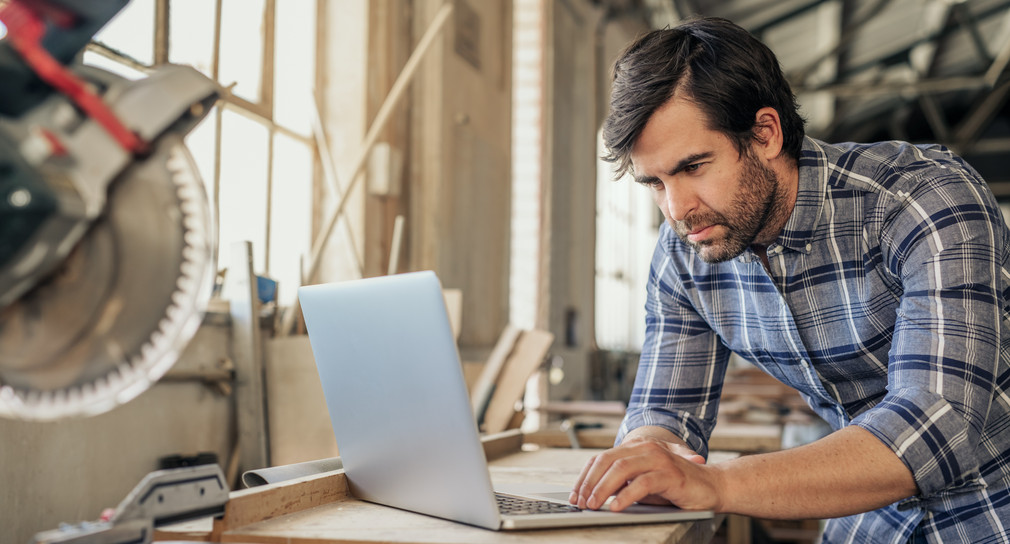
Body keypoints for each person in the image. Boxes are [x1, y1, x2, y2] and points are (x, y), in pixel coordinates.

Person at [569, 16, 1010, 543]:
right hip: (871, 512)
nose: (677, 208)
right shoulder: (687, 252)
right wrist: (650, 457)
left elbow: (935, 422)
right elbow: (665, 411)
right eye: (655, 183)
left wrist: (715, 483)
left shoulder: (921, 202)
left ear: (765, 134)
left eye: (694, 167)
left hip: (992, 497)